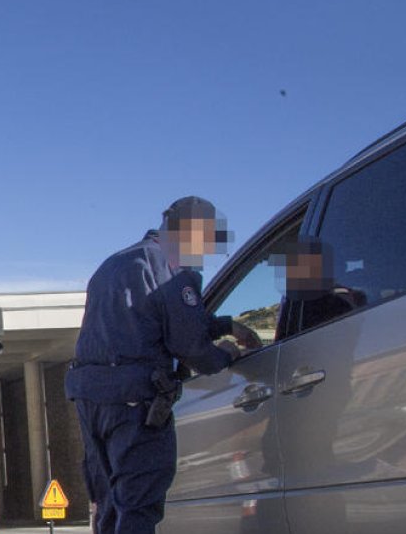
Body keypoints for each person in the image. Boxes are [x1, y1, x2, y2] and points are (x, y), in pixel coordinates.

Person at [65, 196, 262, 534]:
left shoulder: (115, 264)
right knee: (139, 505)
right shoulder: (169, 267)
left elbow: (146, 321)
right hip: (135, 404)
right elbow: (189, 346)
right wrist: (227, 354)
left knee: (112, 504)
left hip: (92, 400)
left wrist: (225, 324)